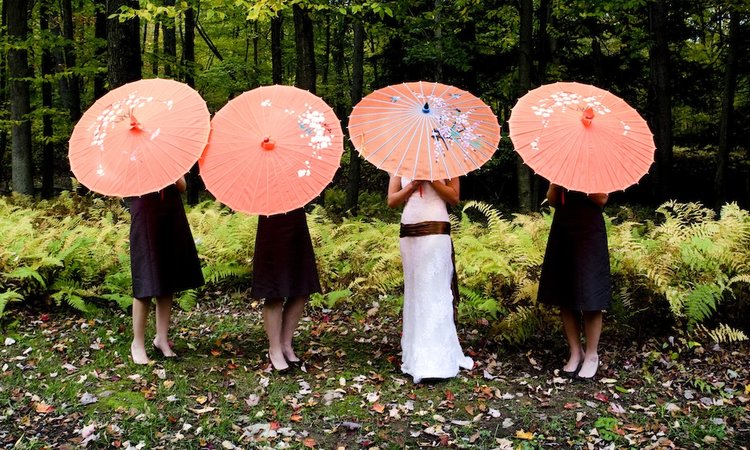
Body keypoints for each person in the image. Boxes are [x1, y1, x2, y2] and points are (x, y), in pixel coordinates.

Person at [387, 175, 474, 383]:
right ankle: (416, 355)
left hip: (436, 227)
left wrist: (433, 179)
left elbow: (454, 198)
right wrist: (413, 185)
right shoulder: (402, 160)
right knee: (416, 291)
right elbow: (392, 201)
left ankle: (436, 359)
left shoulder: (446, 161)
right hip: (410, 229)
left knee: (435, 288)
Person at [537, 183, 611, 380]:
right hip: (563, 228)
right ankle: (576, 351)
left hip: (589, 231)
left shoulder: (596, 164)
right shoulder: (563, 164)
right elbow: (552, 201)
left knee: (591, 292)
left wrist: (577, 183)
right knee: (565, 291)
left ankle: (592, 355)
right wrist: (556, 184)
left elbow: (602, 198)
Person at [128, 176, 204, 365]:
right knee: (145, 277)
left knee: (167, 275)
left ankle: (161, 338)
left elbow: (182, 186)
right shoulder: (130, 155)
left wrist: (172, 175)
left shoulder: (166, 151)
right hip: (144, 210)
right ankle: (137, 343)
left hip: (170, 210)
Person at [251, 207, 321, 372]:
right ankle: (274, 349)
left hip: (297, 221)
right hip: (271, 222)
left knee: (302, 288)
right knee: (274, 292)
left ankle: (285, 344)